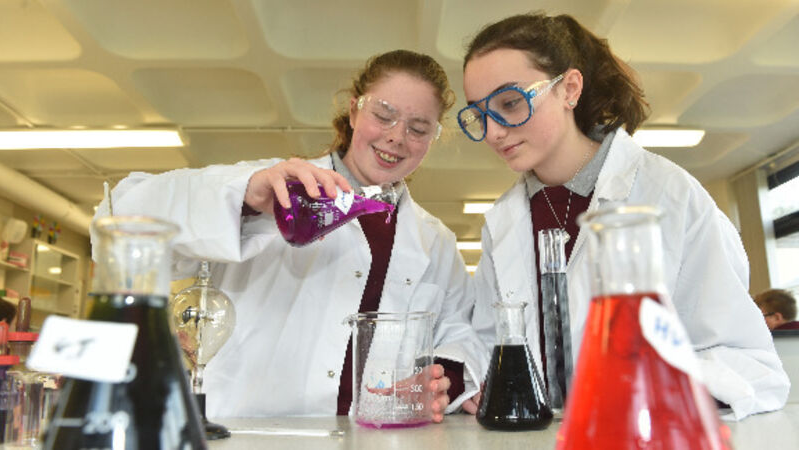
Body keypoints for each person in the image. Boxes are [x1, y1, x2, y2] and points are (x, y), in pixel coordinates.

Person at [93, 49, 487, 421]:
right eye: (383, 115)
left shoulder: (436, 241)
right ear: (353, 111)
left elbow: (460, 332)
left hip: (371, 436)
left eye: (418, 128)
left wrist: (444, 379)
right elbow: (118, 220)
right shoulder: (269, 187)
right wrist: (245, 198)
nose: (397, 136)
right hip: (251, 431)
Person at [460, 12, 789, 420]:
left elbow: (746, 361)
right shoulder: (503, 222)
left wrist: (651, 387)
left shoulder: (669, 194)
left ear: (569, 89)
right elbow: (489, 341)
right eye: (479, 114)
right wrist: (475, 381)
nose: (493, 131)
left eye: (510, 103)